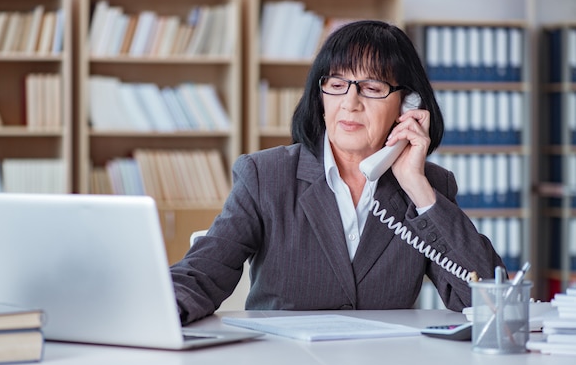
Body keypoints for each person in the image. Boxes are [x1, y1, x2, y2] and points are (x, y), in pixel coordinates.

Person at [171, 20, 504, 324]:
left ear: (408, 105)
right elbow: (202, 274)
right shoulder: (265, 175)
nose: (350, 102)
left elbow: (490, 302)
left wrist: (417, 187)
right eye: (337, 83)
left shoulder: (429, 186)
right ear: (321, 95)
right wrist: (157, 310)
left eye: (372, 87)